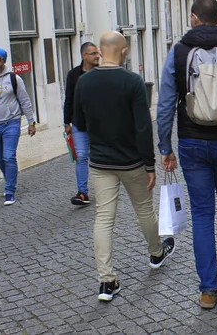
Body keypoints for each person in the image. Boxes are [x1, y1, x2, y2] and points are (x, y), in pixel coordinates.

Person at [157, 0, 217, 310]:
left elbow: (164, 107)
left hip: (191, 142)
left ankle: (208, 291)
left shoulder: (178, 52)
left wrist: (164, 147)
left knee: (201, 214)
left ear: (194, 18)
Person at [74, 31, 175, 302]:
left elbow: (80, 124)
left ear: (101, 51)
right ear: (123, 51)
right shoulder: (132, 81)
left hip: (99, 162)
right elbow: (143, 127)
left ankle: (106, 282)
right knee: (144, 209)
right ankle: (156, 253)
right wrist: (150, 164)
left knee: (103, 218)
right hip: (130, 161)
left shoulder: (84, 82)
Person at [0, 47, 36, 206]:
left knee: (8, 156)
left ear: (4, 61)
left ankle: (10, 191)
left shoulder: (14, 79)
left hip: (11, 123)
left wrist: (31, 122)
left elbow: (25, 101)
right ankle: (9, 181)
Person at [63, 42, 100, 206]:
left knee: (100, 157)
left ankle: (105, 188)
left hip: (100, 124)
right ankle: (82, 192)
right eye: (93, 53)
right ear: (84, 56)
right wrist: (67, 122)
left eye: (97, 53)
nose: (97, 56)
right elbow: (68, 99)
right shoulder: (73, 75)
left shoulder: (102, 72)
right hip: (79, 123)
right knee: (82, 156)